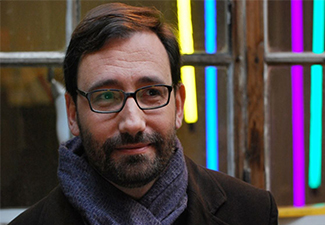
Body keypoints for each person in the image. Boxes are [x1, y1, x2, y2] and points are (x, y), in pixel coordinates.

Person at [9, 3, 278, 225]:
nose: (133, 123)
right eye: (105, 97)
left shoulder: (252, 213)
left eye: (151, 93)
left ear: (179, 105)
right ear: (72, 114)